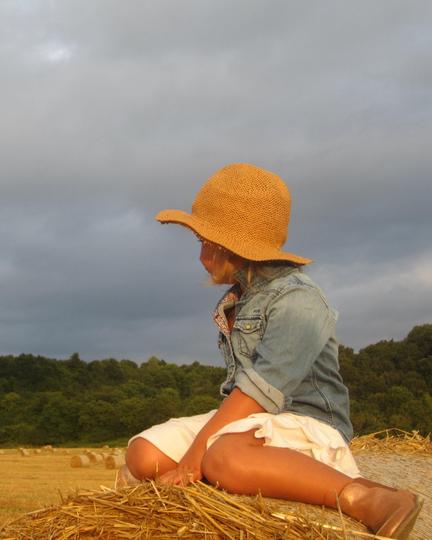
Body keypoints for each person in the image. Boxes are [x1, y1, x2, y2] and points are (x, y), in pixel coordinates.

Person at [124, 163, 423, 539]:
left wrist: (194, 456)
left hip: (306, 423)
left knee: (223, 458)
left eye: (207, 243)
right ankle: (243, 472)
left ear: (232, 245)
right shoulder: (240, 298)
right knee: (143, 454)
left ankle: (365, 498)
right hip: (249, 424)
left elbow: (259, 391)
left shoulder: (299, 299)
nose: (201, 257)